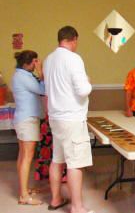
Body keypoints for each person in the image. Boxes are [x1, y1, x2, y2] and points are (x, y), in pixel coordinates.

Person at [43, 26, 93, 213]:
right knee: (75, 163)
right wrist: (88, 82)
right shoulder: (73, 59)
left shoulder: (48, 60)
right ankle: (77, 207)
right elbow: (82, 91)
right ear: (73, 39)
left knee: (57, 159)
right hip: (71, 118)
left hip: (55, 116)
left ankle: (55, 199)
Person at [11, 50, 45, 205]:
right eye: (34, 62)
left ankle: (23, 190)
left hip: (23, 119)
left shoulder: (21, 75)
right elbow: (42, 90)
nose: (36, 64)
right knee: (27, 157)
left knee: (22, 156)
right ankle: (24, 196)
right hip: (27, 120)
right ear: (27, 63)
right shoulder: (23, 76)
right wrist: (41, 71)